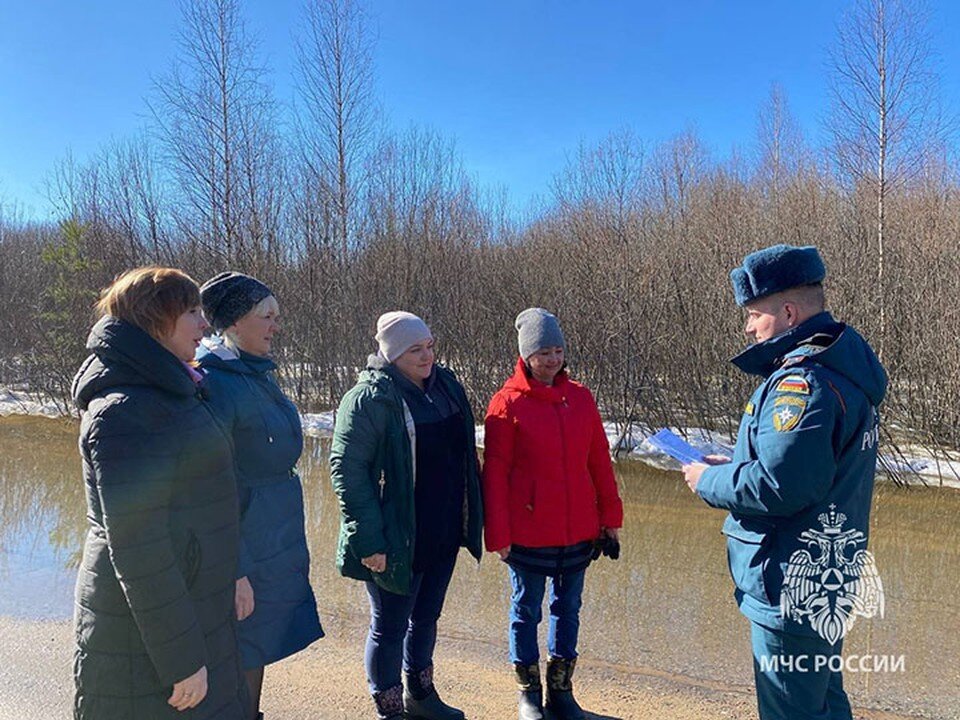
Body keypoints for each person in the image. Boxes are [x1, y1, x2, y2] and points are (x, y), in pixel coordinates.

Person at [682, 245, 888, 720]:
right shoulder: (839, 370)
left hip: (789, 584)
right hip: (824, 577)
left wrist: (708, 480)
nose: (749, 327)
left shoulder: (803, 383)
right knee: (824, 702)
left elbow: (780, 486)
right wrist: (735, 462)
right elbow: (804, 467)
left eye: (754, 314)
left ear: (789, 313)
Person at [71, 267, 247, 719]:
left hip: (192, 604)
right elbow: (140, 551)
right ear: (155, 321)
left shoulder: (175, 390)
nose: (204, 324)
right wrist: (182, 661)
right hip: (140, 635)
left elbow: (206, 505)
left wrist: (233, 570)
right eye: (191, 312)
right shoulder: (124, 413)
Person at [329, 311, 484, 720]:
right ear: (392, 354)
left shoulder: (446, 385)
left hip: (442, 529)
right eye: (415, 349)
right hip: (395, 536)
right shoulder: (369, 399)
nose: (426, 356)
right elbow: (347, 471)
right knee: (389, 626)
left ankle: (421, 694)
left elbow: (464, 454)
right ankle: (390, 709)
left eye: (429, 346)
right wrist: (369, 541)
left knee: (427, 617)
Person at [482, 308, 624, 720]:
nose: (552, 360)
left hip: (579, 528)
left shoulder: (580, 397)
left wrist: (610, 519)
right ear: (526, 355)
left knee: (569, 608)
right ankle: (529, 694)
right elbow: (495, 475)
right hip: (527, 531)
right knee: (526, 609)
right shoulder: (506, 403)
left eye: (557, 351)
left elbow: (599, 460)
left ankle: (561, 693)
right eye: (543, 352)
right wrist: (498, 535)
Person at [197, 272, 324, 720]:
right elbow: (213, 486)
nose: (276, 326)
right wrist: (236, 569)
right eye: (266, 316)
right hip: (247, 544)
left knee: (257, 648)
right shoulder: (214, 382)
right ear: (234, 322)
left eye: (276, 316)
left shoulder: (256, 372)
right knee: (239, 652)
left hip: (273, 537)